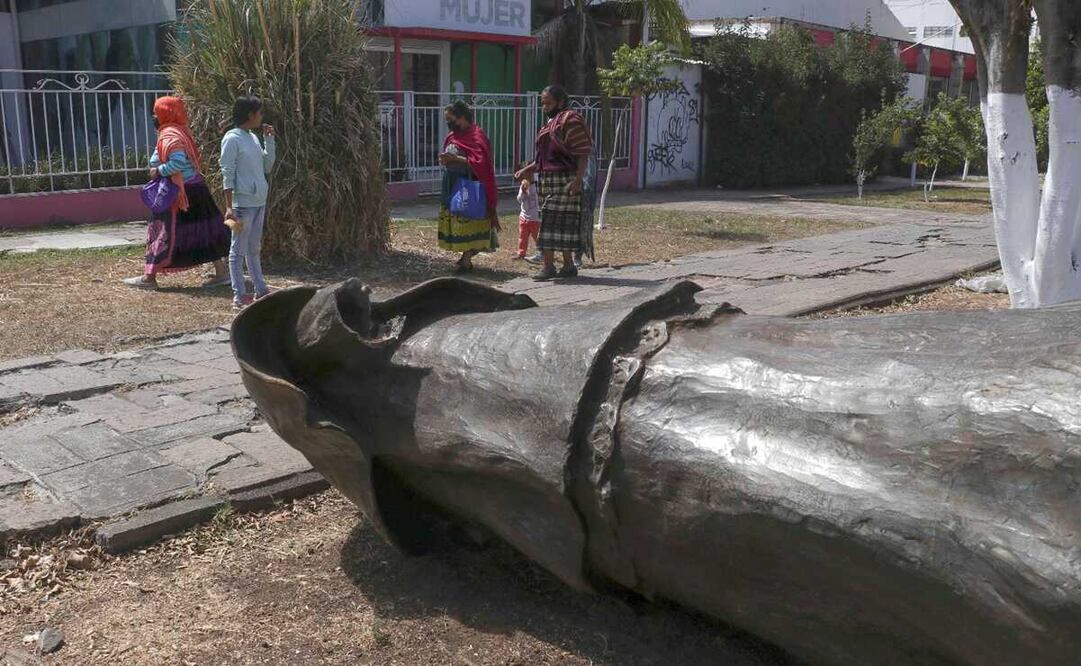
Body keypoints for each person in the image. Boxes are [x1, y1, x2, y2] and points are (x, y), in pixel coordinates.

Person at [125, 96, 229, 289]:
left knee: (161, 233)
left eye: (156, 112)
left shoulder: (170, 135)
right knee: (203, 231)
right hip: (194, 189)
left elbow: (178, 163)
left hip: (178, 193)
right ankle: (222, 273)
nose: (153, 116)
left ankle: (149, 278)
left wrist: (159, 171)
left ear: (165, 113)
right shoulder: (181, 131)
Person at [514, 85, 594, 281]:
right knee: (560, 223)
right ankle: (568, 266)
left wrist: (578, 180)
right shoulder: (549, 125)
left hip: (566, 179)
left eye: (547, 102)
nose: (544, 106)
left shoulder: (570, 120)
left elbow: (582, 153)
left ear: (560, 102)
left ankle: (548, 267)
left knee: (552, 222)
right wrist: (527, 170)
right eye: (542, 103)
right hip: (547, 180)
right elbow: (543, 159)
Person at [220, 95, 276, 310]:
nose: (261, 116)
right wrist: (229, 206)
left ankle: (260, 290)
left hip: (259, 201)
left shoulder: (252, 137)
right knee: (237, 251)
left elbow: (267, 166)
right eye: (259, 112)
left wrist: (269, 141)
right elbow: (228, 172)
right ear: (250, 115)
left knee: (254, 248)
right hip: (243, 204)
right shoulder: (232, 139)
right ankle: (239, 296)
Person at [438, 101, 500, 273]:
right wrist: (445, 160)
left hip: (469, 187)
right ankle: (465, 257)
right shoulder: (452, 136)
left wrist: (457, 160)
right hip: (451, 184)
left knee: (469, 221)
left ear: (462, 117)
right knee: (457, 223)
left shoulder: (477, 136)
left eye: (451, 119)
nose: (449, 123)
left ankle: (466, 259)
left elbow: (482, 164)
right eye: (447, 120)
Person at [514, 161, 542, 262]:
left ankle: (542, 253)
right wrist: (523, 192)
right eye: (526, 173)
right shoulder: (524, 185)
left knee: (538, 238)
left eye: (531, 172)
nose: (528, 175)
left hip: (535, 219)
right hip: (524, 217)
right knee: (522, 237)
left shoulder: (538, 184)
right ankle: (521, 253)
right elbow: (519, 199)